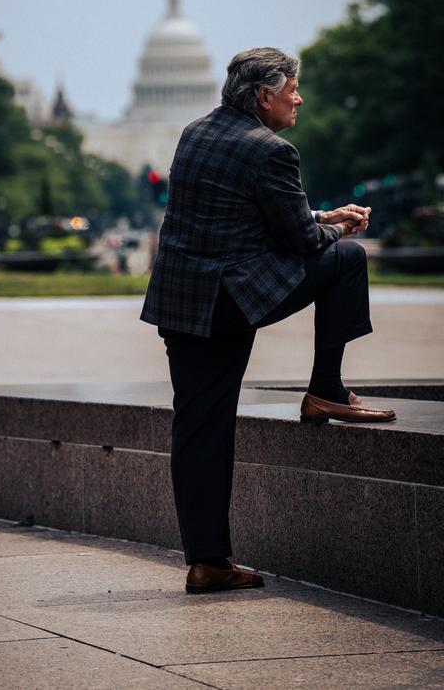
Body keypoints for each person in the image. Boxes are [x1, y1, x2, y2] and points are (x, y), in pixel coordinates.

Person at [141, 47, 395, 596]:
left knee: (199, 429)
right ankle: (326, 389)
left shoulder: (197, 131)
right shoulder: (270, 150)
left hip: (181, 302)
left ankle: (208, 562)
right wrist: (339, 232)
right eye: (293, 89)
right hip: (229, 299)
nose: (299, 98)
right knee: (348, 261)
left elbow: (250, 214)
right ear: (264, 95)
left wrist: (323, 216)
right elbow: (301, 243)